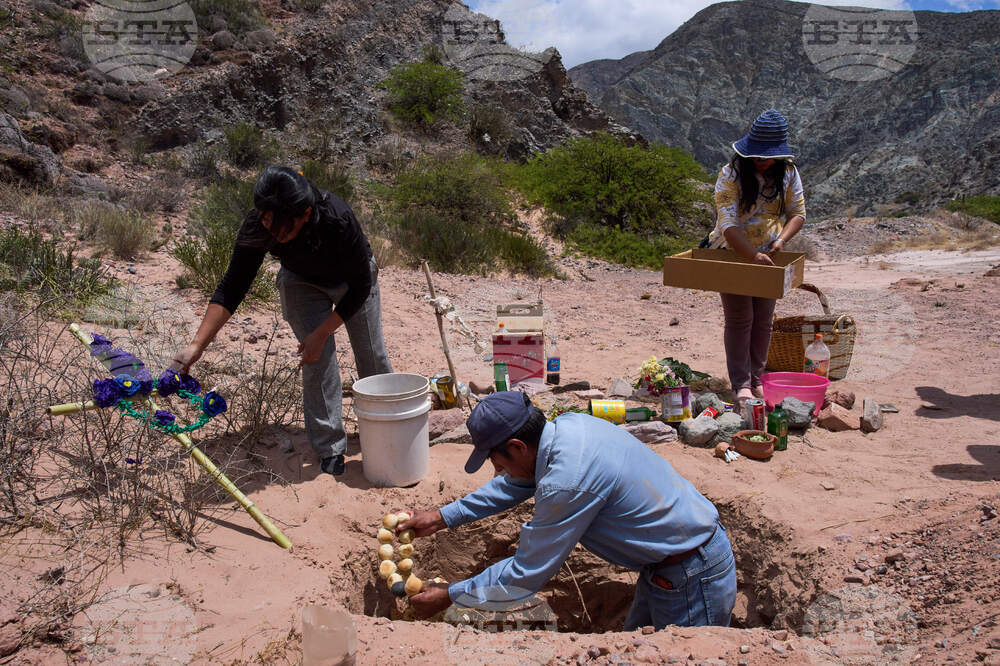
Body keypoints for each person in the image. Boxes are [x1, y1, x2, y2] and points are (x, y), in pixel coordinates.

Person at [396, 392, 737, 630]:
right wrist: (442, 517)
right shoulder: (568, 429)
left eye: (497, 462)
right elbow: (516, 483)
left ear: (517, 446)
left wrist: (451, 595)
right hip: (670, 565)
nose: (498, 471)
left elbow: (525, 574)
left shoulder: (567, 482)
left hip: (692, 575)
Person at [171, 166, 392, 476]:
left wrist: (322, 332)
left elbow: (360, 287)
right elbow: (233, 286)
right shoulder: (261, 223)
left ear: (305, 214)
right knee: (317, 359)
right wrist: (197, 345)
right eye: (267, 224)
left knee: (371, 354)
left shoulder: (337, 218)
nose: (274, 234)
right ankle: (330, 448)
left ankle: (388, 429)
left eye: (283, 230)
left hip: (352, 282)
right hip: (302, 282)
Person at [707, 109, 806, 403]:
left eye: (767, 157)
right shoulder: (730, 175)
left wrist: (781, 240)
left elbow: (798, 213)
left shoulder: (788, 173)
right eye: (758, 157)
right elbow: (728, 225)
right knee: (741, 318)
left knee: (764, 319)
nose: (762, 162)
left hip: (769, 256)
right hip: (733, 253)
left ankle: (757, 378)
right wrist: (751, 255)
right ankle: (741, 383)